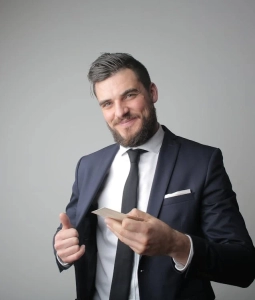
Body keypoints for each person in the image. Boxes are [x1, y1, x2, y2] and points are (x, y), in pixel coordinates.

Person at [53, 53, 255, 300]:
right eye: (107, 103)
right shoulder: (88, 165)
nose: (120, 112)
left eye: (129, 95)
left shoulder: (203, 162)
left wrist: (176, 245)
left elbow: (244, 266)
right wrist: (62, 249)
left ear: (152, 92)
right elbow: (70, 230)